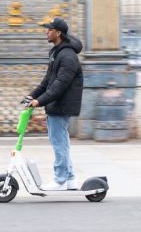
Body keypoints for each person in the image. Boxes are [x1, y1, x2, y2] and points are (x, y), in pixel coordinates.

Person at [25, 17, 84, 191]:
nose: (46, 32)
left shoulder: (67, 56)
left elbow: (59, 86)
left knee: (59, 143)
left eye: (49, 29)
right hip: (56, 104)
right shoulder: (56, 52)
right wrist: (32, 95)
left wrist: (39, 101)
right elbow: (47, 81)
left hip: (62, 104)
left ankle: (60, 181)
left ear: (58, 33)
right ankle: (70, 178)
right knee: (60, 141)